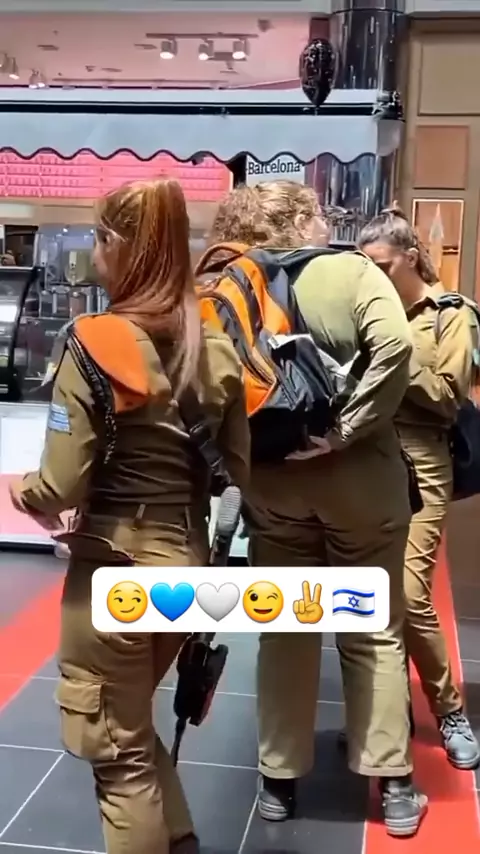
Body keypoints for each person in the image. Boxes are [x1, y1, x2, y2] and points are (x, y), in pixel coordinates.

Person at [8, 178, 250, 854]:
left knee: (116, 755)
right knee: (132, 726)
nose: (96, 253)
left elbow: (59, 483)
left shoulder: (94, 341)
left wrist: (25, 493)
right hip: (186, 567)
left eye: (100, 238)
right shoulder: (216, 347)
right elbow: (238, 473)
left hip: (115, 569)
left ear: (121, 245)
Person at [207, 182, 426, 837]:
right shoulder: (351, 273)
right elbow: (397, 347)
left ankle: (279, 782)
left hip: (273, 483)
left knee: (286, 630)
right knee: (373, 627)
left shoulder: (230, 283)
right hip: (360, 484)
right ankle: (392, 785)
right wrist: (346, 428)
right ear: (304, 220)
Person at [358, 207, 480, 770]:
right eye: (367, 268)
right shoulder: (366, 308)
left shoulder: (451, 314)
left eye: (382, 265)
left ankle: (449, 710)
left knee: (408, 593)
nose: (375, 276)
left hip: (422, 461)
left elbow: (448, 396)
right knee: (368, 596)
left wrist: (389, 355)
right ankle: (387, 712)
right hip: (364, 458)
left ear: (409, 257)